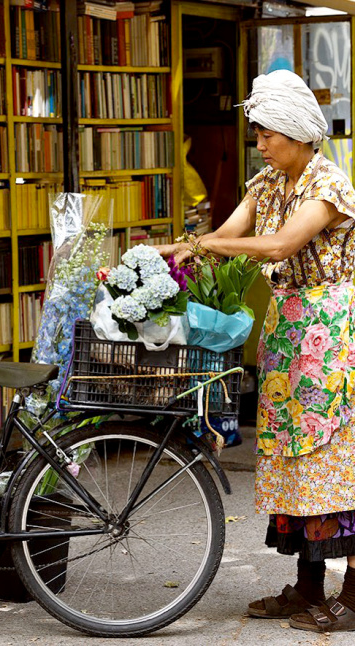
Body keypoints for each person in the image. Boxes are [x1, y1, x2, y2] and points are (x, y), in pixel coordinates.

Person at [159, 69, 355, 633]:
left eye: (268, 132)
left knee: (336, 463)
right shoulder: (266, 183)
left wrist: (203, 244)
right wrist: (170, 254)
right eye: (260, 132)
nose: (261, 142)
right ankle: (308, 588)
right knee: (295, 461)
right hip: (288, 330)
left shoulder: (328, 186)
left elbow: (280, 243)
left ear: (296, 132)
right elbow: (225, 234)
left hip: (333, 335)